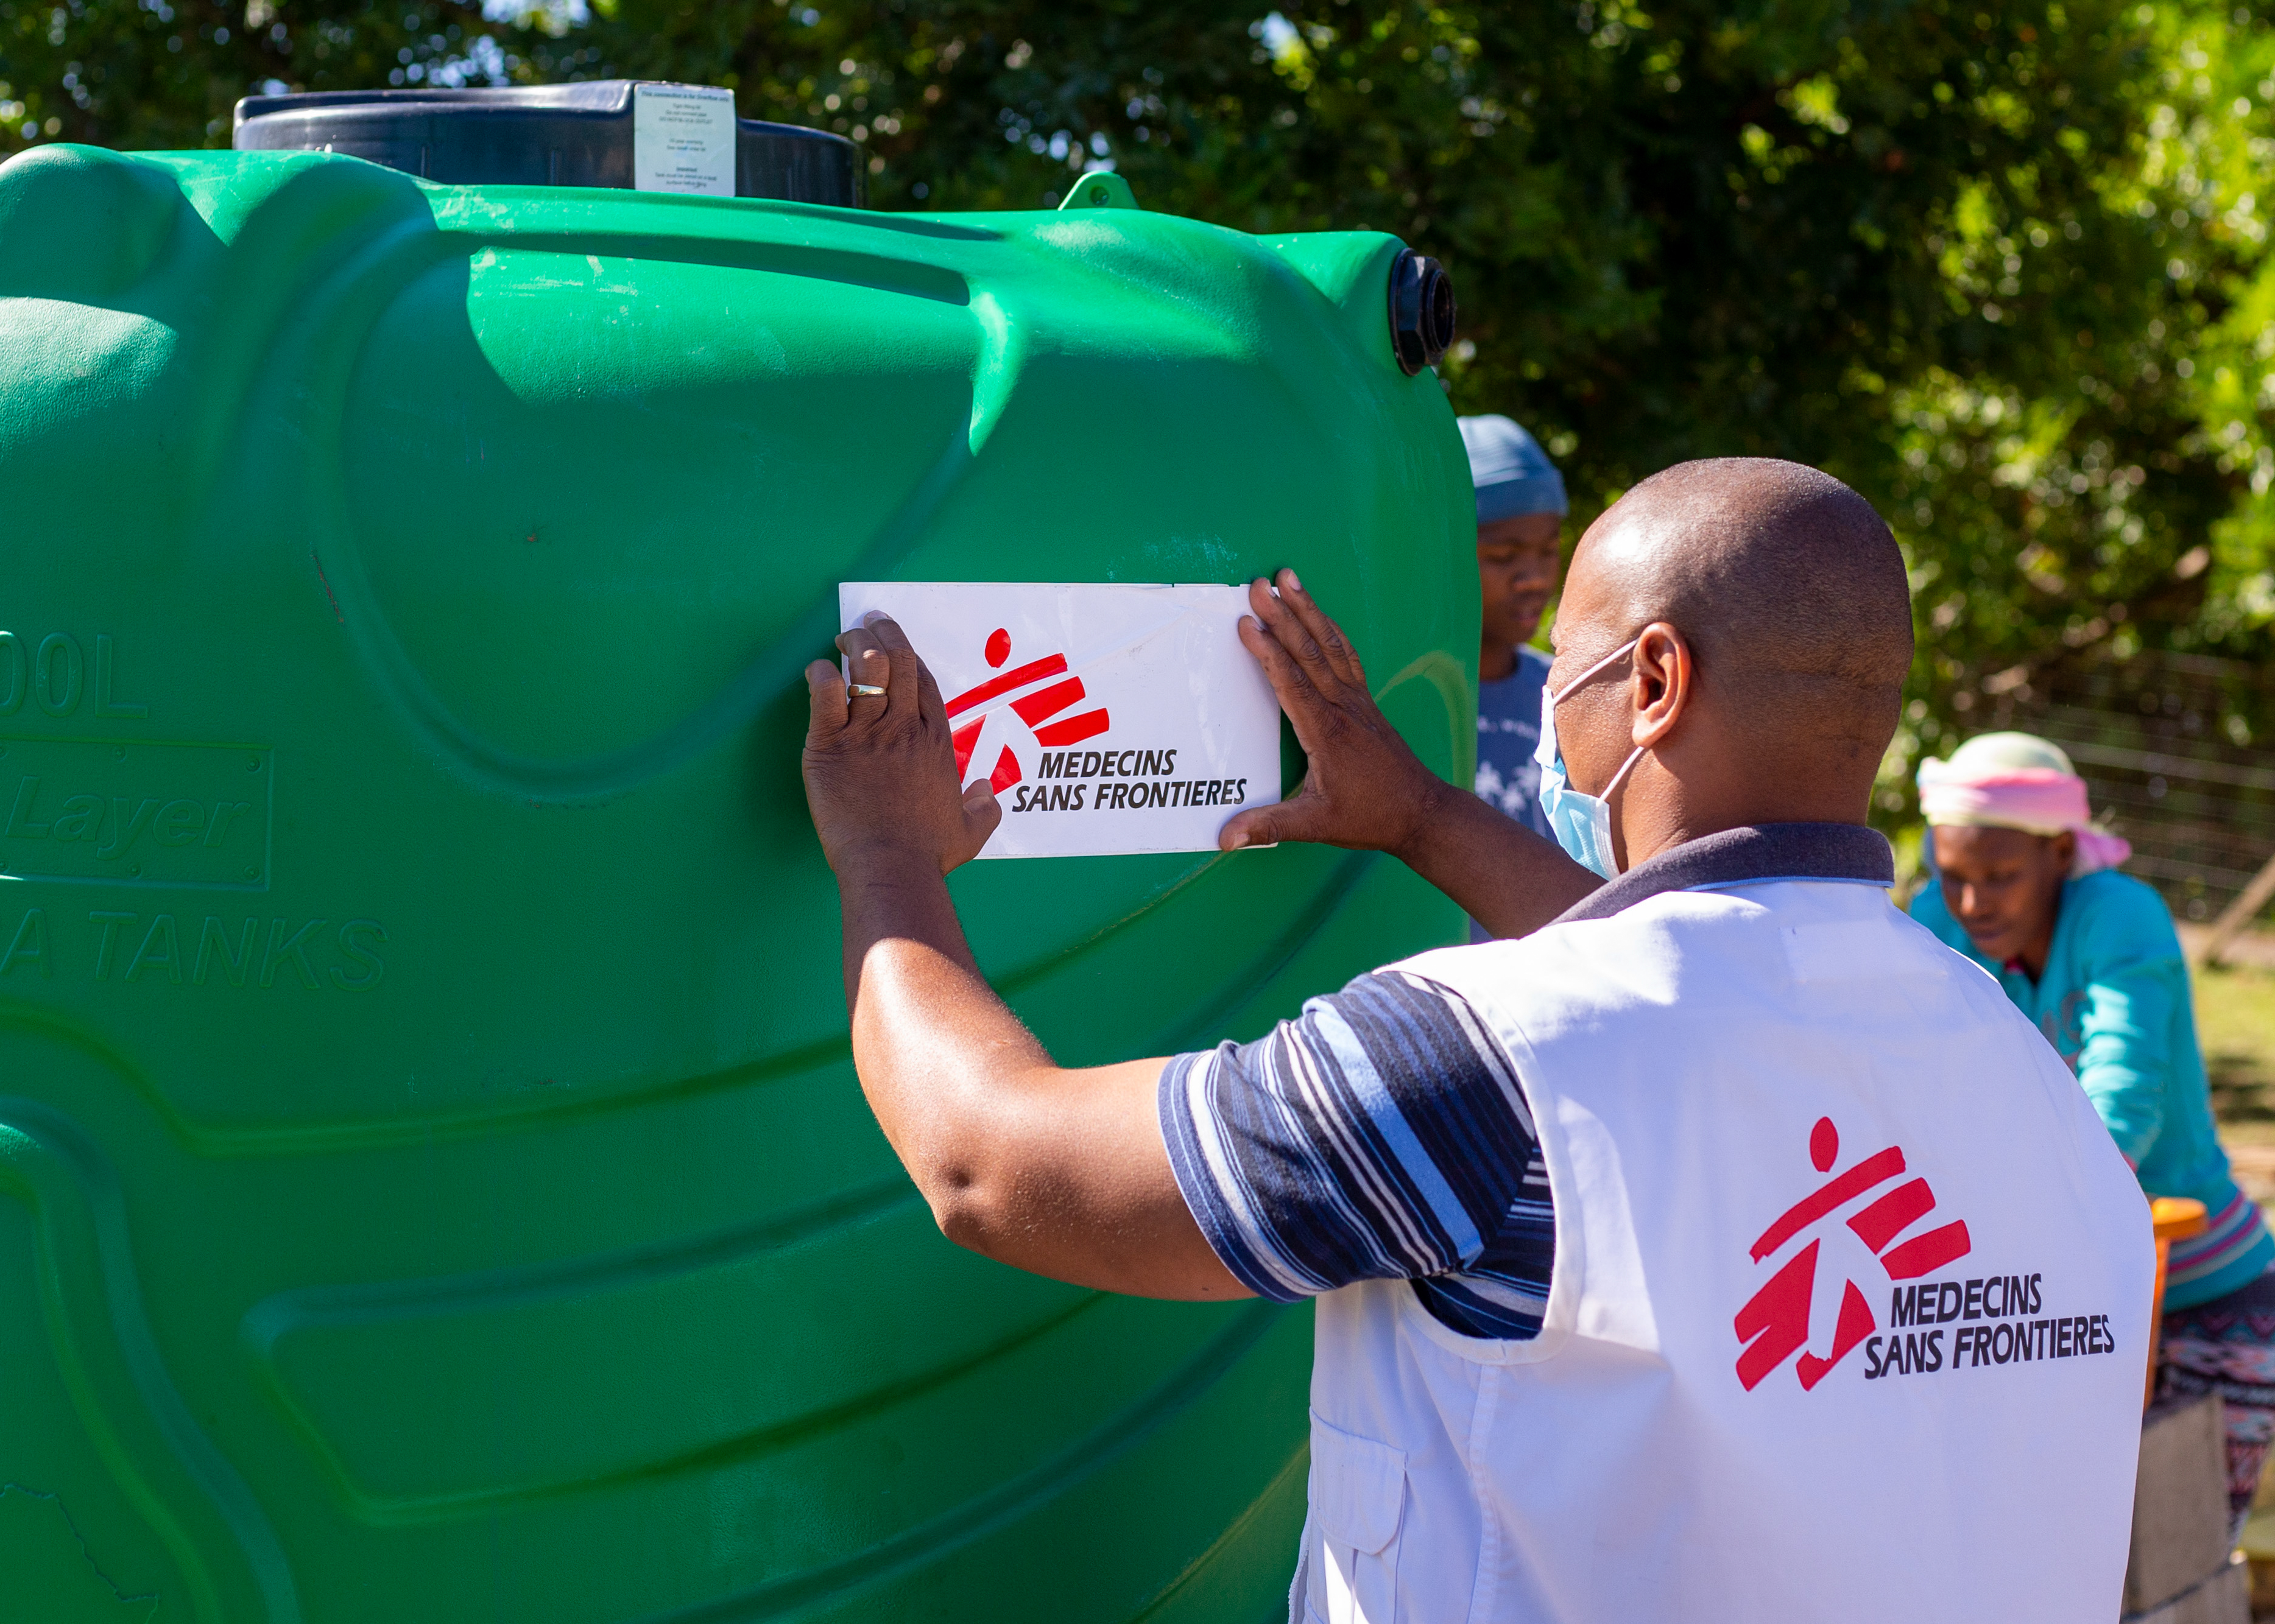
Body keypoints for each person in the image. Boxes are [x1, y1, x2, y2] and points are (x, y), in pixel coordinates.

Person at [799, 459, 2151, 1622]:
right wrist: (1424, 817)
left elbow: (989, 1163)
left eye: (1563, 667)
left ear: (1654, 680)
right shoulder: (2007, 1054)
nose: (1546, 707)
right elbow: (1673, 1012)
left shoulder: (1474, 1061)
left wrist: (882, 854)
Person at [1913, 730, 2275, 1528]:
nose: (1974, 903)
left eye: (2001, 876)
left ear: (2062, 853)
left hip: (2206, 1300)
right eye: (1955, 875)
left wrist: (2019, 1215)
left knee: (2179, 1553)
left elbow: (2126, 1090)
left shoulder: (2119, 915)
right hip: (2060, 1301)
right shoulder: (1935, 920)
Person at [1457, 414, 1567, 841]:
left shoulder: (1567, 695)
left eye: (1549, 550)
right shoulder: (1400, 700)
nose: (1536, 578)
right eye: (1504, 555)